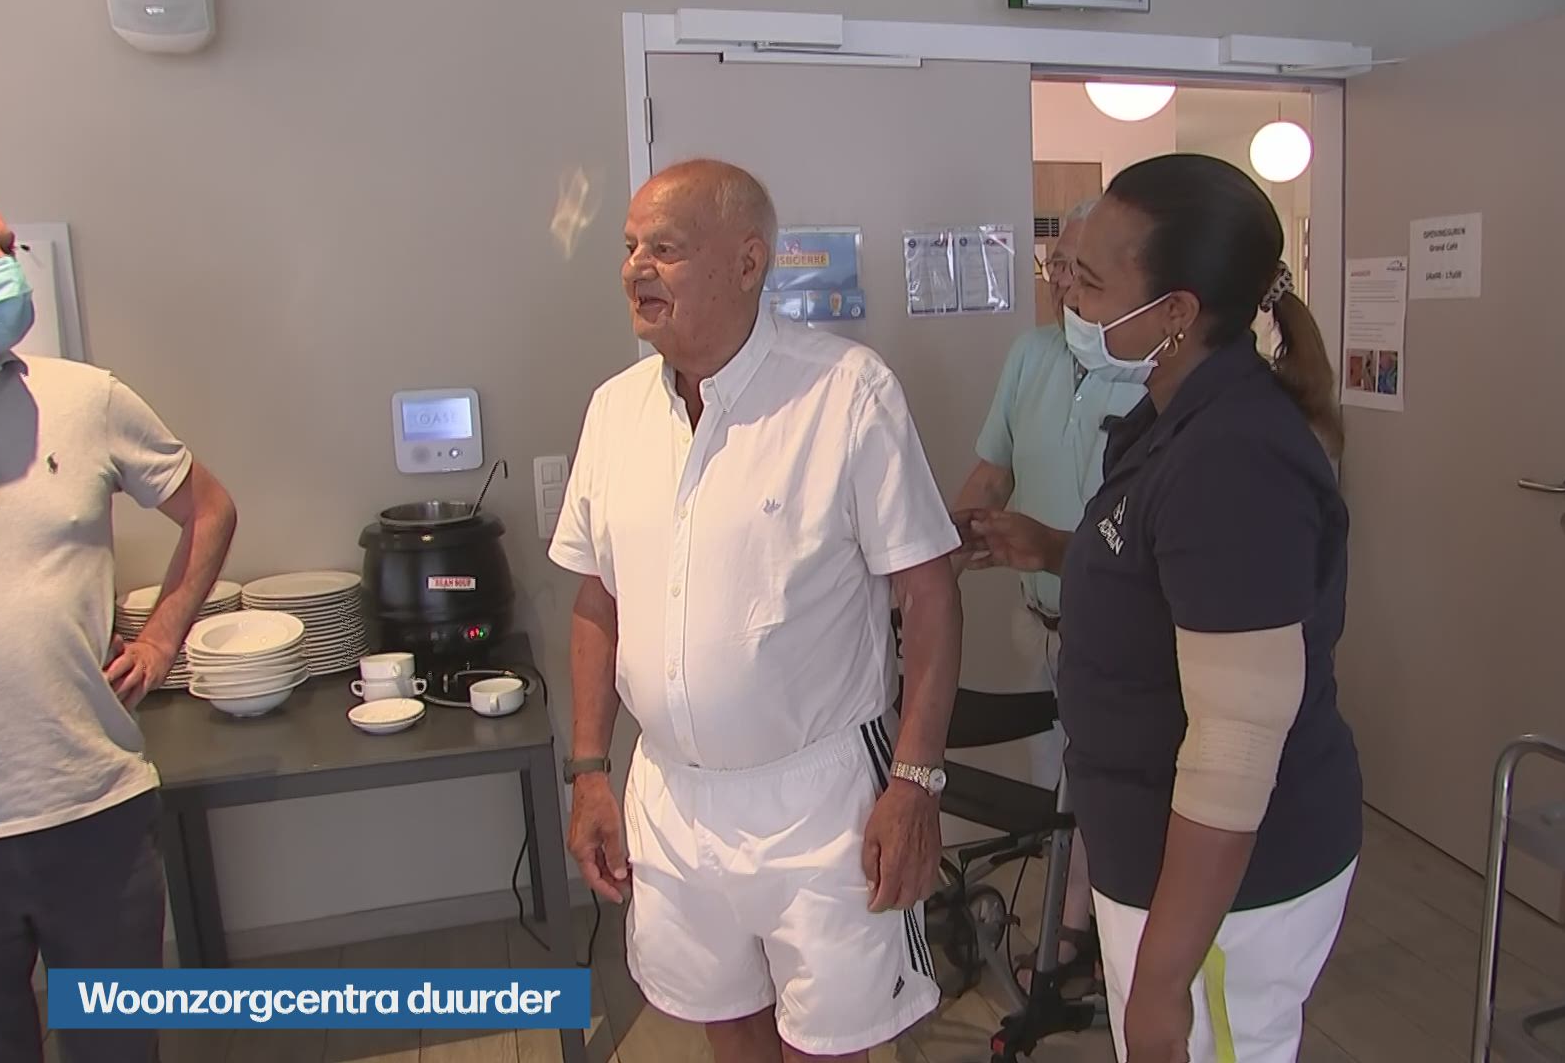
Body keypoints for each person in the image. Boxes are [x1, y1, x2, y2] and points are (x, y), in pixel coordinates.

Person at [551, 159, 963, 1063]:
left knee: (832, 1044)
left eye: (664, 249)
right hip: (672, 795)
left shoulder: (845, 393)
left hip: (821, 800)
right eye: (630, 247)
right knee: (725, 1021)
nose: (635, 268)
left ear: (748, 263)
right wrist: (588, 769)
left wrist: (915, 782)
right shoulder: (615, 413)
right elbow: (596, 598)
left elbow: (930, 593)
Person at [967, 153, 1360, 1063]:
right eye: (1062, 272)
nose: (1069, 299)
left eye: (1091, 282)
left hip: (1229, 894)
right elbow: (1167, 578)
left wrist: (1159, 980)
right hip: (1156, 857)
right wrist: (1059, 551)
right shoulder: (1172, 418)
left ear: (1176, 312)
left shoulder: (1233, 459)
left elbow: (1235, 745)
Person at [0, 158, 240, 1063]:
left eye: (5, 247)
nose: (4, 269)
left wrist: (161, 638)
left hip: (92, 812)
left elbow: (210, 509)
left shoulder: (84, 400)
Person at [950, 196, 1143, 992]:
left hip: (1122, 631)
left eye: (1079, 269)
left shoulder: (1153, 370)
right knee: (1060, 790)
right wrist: (935, 557)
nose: (1062, 283)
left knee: (1107, 796)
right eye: (1055, 265)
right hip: (1041, 622)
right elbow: (991, 475)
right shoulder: (1031, 355)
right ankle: (1077, 926)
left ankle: (1080, 944)